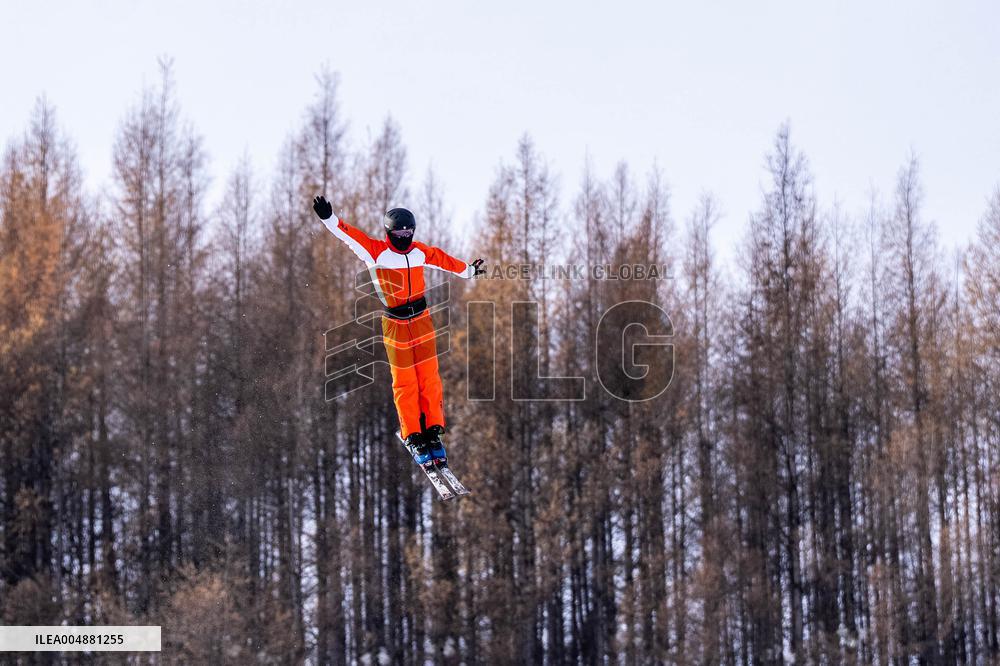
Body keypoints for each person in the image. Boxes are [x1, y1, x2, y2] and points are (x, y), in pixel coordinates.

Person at [312, 195, 485, 464]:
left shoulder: (419, 251)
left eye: (409, 231)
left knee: (429, 377)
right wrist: (328, 218)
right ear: (389, 232)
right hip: (395, 324)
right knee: (406, 381)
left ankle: (433, 432)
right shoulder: (375, 252)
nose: (405, 236)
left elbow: (443, 260)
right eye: (400, 231)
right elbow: (348, 235)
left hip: (422, 319)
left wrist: (469, 272)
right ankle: (414, 435)